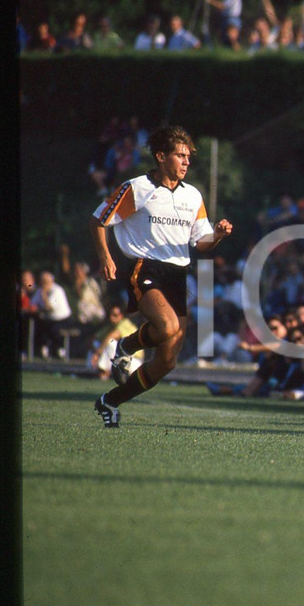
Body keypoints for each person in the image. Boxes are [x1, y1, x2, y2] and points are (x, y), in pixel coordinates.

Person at [89, 125, 233, 428]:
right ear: (160, 156)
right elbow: (99, 220)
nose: (186, 162)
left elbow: (201, 242)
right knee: (166, 326)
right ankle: (126, 346)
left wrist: (217, 235)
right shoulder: (138, 188)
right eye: (179, 155)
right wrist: (105, 257)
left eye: (188, 157)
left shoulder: (192, 196)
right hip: (145, 267)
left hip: (178, 273)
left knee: (167, 361)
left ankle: (110, 401)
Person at [31, 271, 73, 359]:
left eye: (46, 281)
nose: (43, 284)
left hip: (62, 319)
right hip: (48, 319)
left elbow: (49, 307)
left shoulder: (57, 291)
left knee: (54, 330)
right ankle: (43, 351)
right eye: (42, 281)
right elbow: (33, 304)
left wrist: (43, 295)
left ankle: (59, 350)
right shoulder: (40, 290)